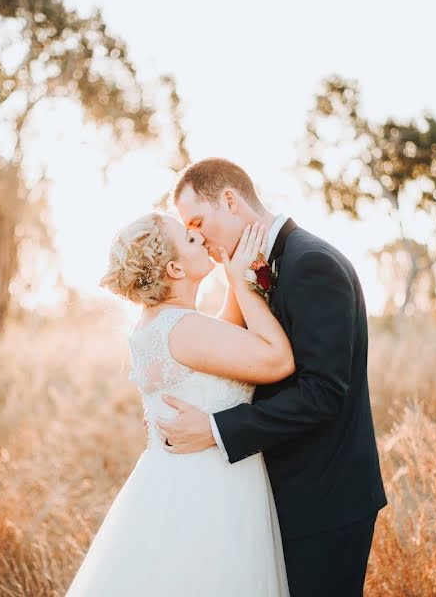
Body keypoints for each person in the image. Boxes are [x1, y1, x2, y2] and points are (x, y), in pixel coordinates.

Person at [157, 157, 387, 596]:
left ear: (230, 200)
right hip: (281, 494)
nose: (198, 238)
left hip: (325, 499)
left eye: (199, 222)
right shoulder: (250, 270)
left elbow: (323, 392)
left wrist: (213, 429)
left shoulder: (311, 264)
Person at [66, 211, 292, 596]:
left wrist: (231, 273)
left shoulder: (162, 323)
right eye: (189, 240)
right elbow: (277, 359)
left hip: (173, 481)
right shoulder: (185, 328)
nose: (201, 239)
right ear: (173, 268)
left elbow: (222, 333)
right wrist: (243, 281)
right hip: (211, 490)